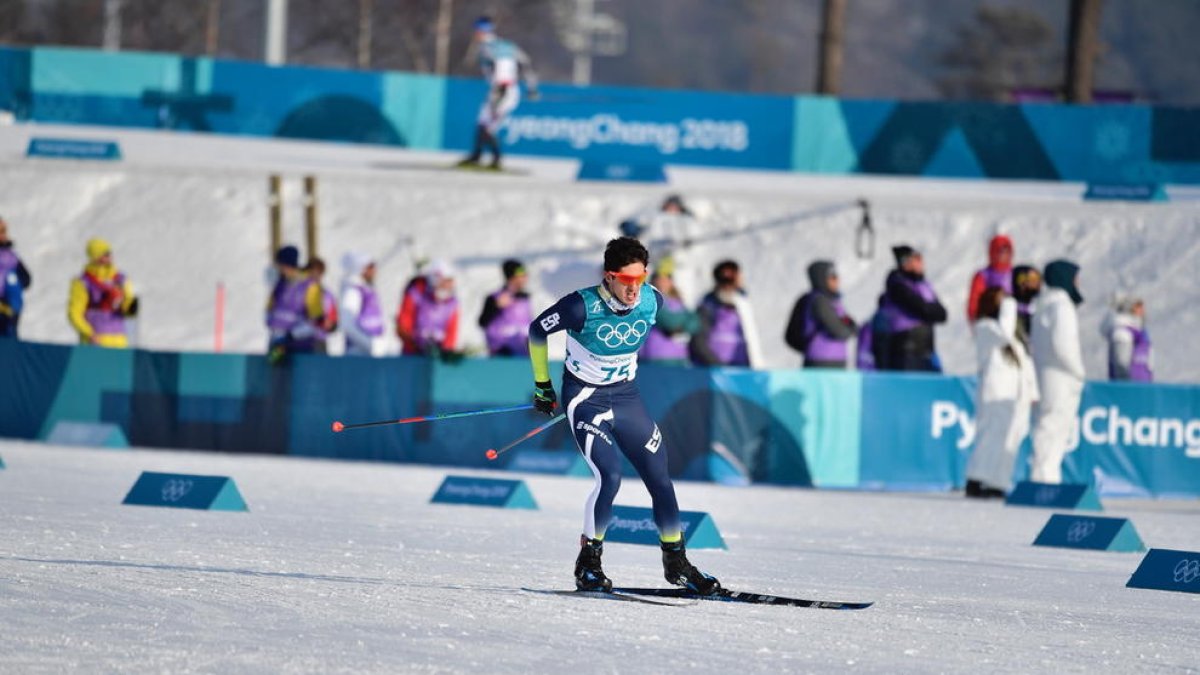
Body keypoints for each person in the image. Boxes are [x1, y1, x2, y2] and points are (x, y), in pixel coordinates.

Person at [527, 237, 720, 594]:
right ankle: (589, 564)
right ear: (609, 276)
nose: (634, 290)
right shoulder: (579, 306)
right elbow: (537, 330)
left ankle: (676, 562)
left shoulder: (652, 299)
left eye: (640, 279)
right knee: (610, 477)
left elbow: (678, 325)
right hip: (586, 400)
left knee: (660, 477)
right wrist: (543, 385)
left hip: (627, 399)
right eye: (626, 281)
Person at [966, 288, 1039, 498]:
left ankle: (997, 482)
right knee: (991, 435)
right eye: (1001, 300)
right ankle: (977, 478)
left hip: (1015, 394)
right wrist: (1009, 306)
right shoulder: (984, 327)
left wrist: (1031, 392)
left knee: (1010, 438)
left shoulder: (1015, 338)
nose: (1006, 303)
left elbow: (1025, 364)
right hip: (995, 392)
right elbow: (1004, 334)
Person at [457, 16, 539, 170]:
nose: (475, 33)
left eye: (477, 30)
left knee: (488, 126)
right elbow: (526, 64)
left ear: (481, 31)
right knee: (482, 123)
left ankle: (496, 160)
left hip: (503, 91)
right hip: (501, 89)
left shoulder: (487, 48)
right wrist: (531, 88)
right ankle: (476, 156)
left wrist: (499, 93)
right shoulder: (507, 45)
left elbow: (501, 72)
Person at [1030, 259, 1086, 484]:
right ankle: (1045, 477)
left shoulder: (1044, 305)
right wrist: (1078, 371)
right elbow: (1063, 344)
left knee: (1049, 424)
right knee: (1054, 425)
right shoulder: (1062, 306)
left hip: (1047, 373)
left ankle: (1045, 474)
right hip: (1062, 375)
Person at [877, 245, 947, 371]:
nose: (921, 262)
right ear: (906, 262)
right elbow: (921, 309)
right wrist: (929, 310)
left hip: (926, 350)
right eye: (917, 258)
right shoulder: (897, 285)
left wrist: (929, 310)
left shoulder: (923, 285)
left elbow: (942, 314)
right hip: (905, 351)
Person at [784, 260, 857, 369]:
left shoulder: (834, 301)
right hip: (820, 362)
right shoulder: (819, 301)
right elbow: (840, 331)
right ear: (821, 279)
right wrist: (849, 328)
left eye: (837, 276)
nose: (837, 280)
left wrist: (850, 327)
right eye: (832, 277)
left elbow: (849, 323)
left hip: (836, 361)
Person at [691, 260, 763, 368]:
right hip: (717, 369)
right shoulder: (709, 304)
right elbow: (699, 341)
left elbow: (751, 338)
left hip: (742, 367)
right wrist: (716, 364)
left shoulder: (742, 303)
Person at [67, 238, 138, 348]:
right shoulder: (83, 282)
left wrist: (129, 304)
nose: (109, 256)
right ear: (95, 256)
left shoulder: (121, 279)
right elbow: (74, 313)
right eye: (105, 254)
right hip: (95, 342)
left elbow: (129, 311)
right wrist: (89, 333)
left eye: (109, 253)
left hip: (120, 341)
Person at [266, 245, 324, 363]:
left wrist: (292, 335)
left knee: (301, 377)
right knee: (275, 374)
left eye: (280, 264)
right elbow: (270, 310)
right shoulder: (279, 284)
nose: (278, 268)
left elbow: (317, 320)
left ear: (287, 264)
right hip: (279, 345)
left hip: (300, 346)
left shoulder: (309, 285)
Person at [396, 260, 460, 358]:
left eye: (450, 282)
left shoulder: (452, 303)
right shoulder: (416, 294)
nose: (448, 286)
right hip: (413, 355)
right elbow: (404, 324)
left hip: (438, 356)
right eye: (445, 281)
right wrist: (413, 345)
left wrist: (446, 351)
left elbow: (451, 331)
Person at [639, 264, 698, 365]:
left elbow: (695, 321)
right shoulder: (648, 300)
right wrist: (684, 323)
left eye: (665, 280)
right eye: (659, 279)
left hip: (680, 356)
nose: (662, 283)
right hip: (655, 356)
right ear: (653, 281)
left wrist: (683, 325)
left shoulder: (678, 301)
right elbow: (668, 321)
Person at [478, 259, 532, 356]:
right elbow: (482, 322)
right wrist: (495, 306)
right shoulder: (494, 297)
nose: (525, 277)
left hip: (523, 354)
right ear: (511, 277)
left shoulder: (525, 299)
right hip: (502, 354)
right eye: (521, 274)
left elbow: (527, 326)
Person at [339, 251, 386, 357]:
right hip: (358, 354)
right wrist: (369, 345)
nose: (375, 270)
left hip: (369, 353)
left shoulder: (366, 289)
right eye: (371, 266)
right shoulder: (353, 291)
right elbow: (347, 325)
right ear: (360, 269)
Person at [1102, 295, 1153, 382]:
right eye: (1138, 306)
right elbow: (1121, 365)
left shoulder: (1138, 332)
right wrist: (1126, 388)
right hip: (1129, 390)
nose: (1143, 311)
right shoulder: (1123, 333)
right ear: (1129, 308)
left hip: (1141, 388)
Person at [966, 235, 1014, 323]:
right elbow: (974, 301)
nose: (1003, 255)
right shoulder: (983, 275)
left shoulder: (1014, 273)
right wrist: (974, 319)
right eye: (999, 251)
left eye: (1006, 251)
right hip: (991, 320)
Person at [0, 216, 31, 338]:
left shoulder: (11, 255)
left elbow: (27, 279)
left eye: (4, 231)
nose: (3, 235)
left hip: (12, 309)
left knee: (10, 341)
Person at [305, 257, 338, 355]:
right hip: (303, 340)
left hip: (320, 340)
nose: (315, 275)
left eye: (319, 272)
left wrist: (331, 324)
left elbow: (334, 319)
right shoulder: (301, 291)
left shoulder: (327, 294)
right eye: (312, 272)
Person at [1011, 264, 1042, 341]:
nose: (1032, 283)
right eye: (1026, 279)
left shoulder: (1041, 303)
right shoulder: (1010, 308)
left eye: (1035, 279)